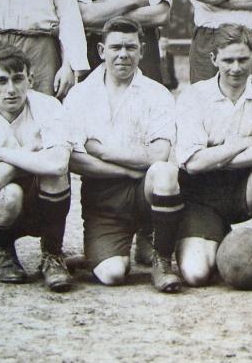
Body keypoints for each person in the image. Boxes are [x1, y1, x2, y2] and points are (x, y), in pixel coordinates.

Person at [63, 17, 185, 292]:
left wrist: (103, 151)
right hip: (103, 198)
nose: (123, 54)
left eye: (130, 47)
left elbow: (159, 154)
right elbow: (72, 158)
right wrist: (127, 169)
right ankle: (101, 252)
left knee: (165, 173)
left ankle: (161, 258)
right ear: (101, 51)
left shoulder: (158, 93)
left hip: (144, 192)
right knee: (112, 274)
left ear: (142, 51)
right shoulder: (80, 95)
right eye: (115, 46)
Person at [174, 24, 252, 288]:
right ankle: (212, 237)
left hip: (242, 191)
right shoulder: (194, 96)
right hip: (200, 197)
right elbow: (192, 163)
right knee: (196, 275)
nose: (236, 68)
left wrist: (214, 156)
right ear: (213, 59)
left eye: (243, 59)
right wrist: (242, 142)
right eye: (228, 60)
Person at [0, 44, 74, 292]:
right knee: (9, 194)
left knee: (56, 178)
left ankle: (52, 255)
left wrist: (3, 155)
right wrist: (30, 155)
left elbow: (58, 164)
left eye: (18, 79)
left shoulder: (49, 107)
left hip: (41, 200)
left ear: (30, 79)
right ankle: (1, 250)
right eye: (1, 81)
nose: (11, 90)